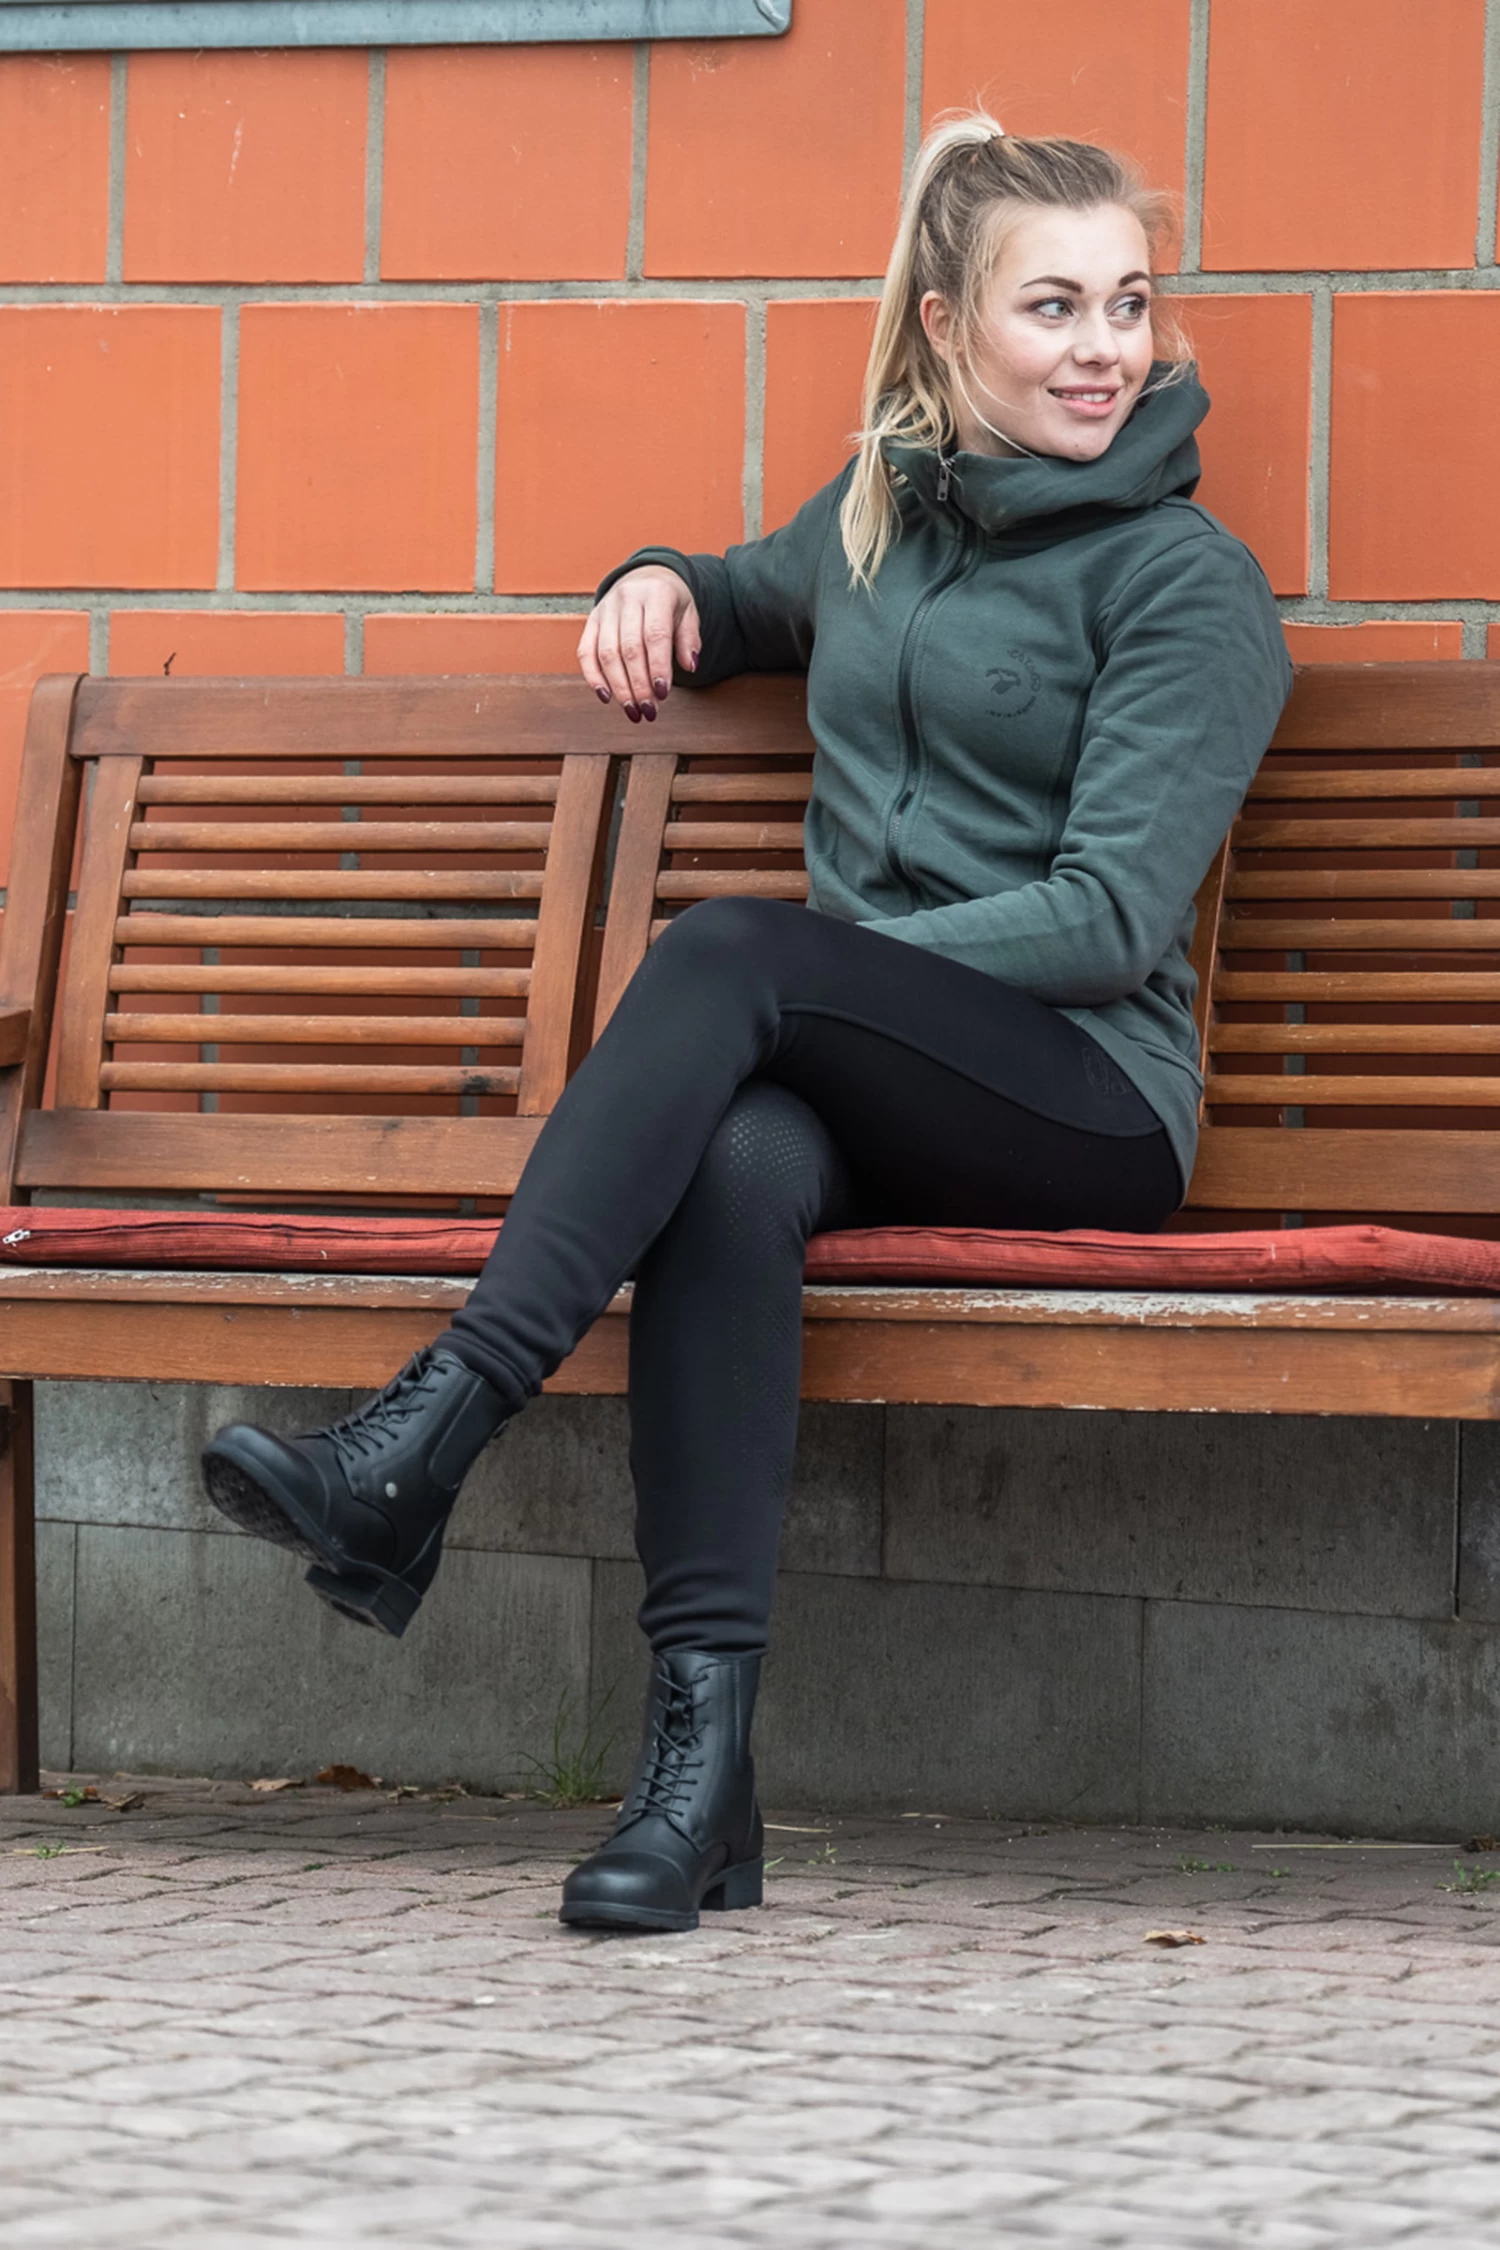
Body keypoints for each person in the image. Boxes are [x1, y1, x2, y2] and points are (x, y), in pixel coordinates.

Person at [202, 115, 1292, 1935]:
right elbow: (729, 598)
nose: (1105, 347)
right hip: (861, 1081)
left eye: (1129, 303)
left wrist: (829, 974)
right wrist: (653, 581)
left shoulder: (1185, 582)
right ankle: (699, 1784)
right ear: (945, 324)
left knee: (735, 958)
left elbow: (1111, 918)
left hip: (1085, 1098)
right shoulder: (874, 524)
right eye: (1053, 307)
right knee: (734, 1155)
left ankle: (420, 1443)